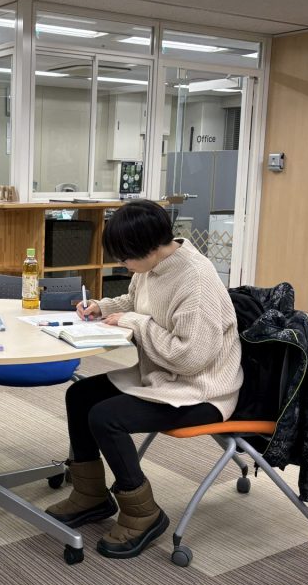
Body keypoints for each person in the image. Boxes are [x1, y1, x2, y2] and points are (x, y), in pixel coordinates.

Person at [45, 199, 243, 559]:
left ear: (149, 248)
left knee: (106, 417)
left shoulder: (196, 281)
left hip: (202, 391)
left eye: (125, 258)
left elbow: (191, 358)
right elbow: (136, 301)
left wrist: (135, 323)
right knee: (80, 395)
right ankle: (91, 495)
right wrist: (104, 307)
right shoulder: (152, 266)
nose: (123, 265)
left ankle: (143, 514)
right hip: (164, 377)